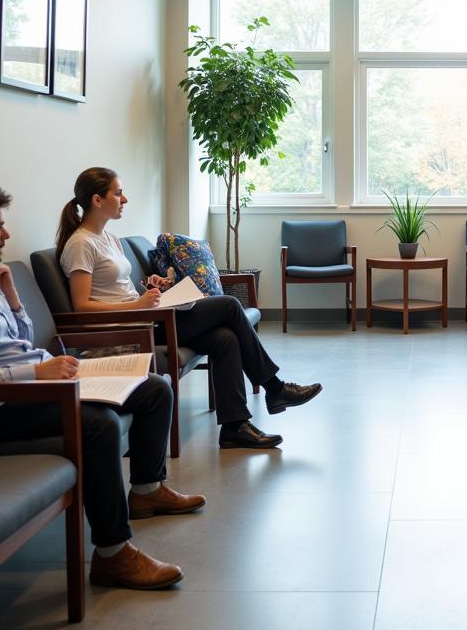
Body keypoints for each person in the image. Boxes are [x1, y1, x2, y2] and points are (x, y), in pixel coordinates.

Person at [0, 181, 205, 591]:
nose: (6, 235)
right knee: (98, 424)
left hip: (41, 383)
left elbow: (20, 343)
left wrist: (13, 304)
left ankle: (147, 489)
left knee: (154, 387)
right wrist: (35, 374)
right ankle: (113, 555)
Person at [56, 168, 321, 450]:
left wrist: (150, 287)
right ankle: (275, 388)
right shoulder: (80, 244)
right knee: (230, 306)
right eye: (118, 193)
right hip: (129, 330)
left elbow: (116, 290)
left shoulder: (109, 239)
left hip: (145, 317)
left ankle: (234, 427)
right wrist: (138, 306)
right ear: (97, 200)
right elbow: (81, 306)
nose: (125, 199)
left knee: (224, 339)